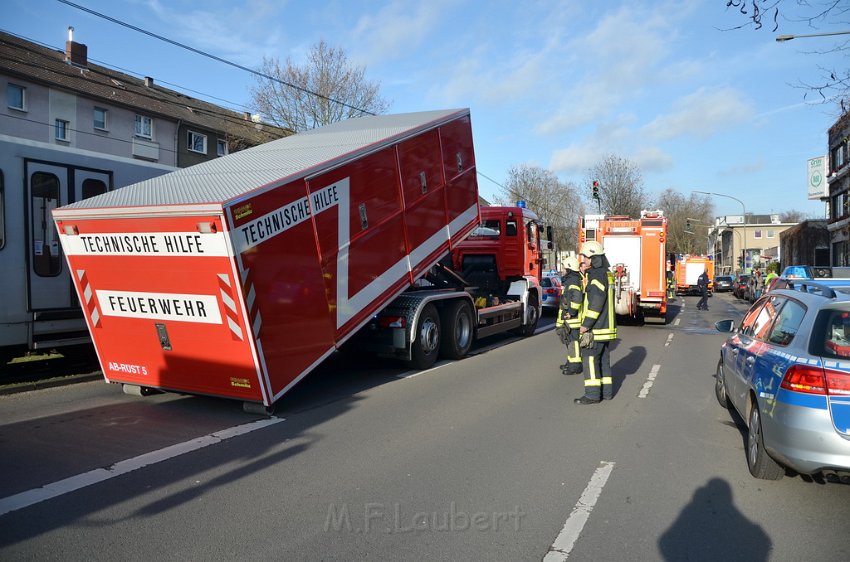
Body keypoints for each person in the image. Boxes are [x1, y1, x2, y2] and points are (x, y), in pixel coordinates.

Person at [574, 241, 617, 405]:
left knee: (590, 360)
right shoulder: (605, 273)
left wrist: (586, 324)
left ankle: (592, 395)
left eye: (584, 256)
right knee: (604, 361)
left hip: (596, 328)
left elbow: (596, 301)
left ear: (592, 257)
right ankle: (606, 393)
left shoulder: (597, 276)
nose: (583, 259)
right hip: (606, 328)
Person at [557, 256, 584, 375]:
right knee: (569, 341)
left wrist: (571, 313)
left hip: (573, 319)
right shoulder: (571, 279)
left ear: (569, 268)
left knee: (574, 343)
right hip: (570, 318)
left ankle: (575, 366)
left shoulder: (573, 281)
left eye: (564, 267)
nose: (562, 269)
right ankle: (570, 362)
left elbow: (577, 298)